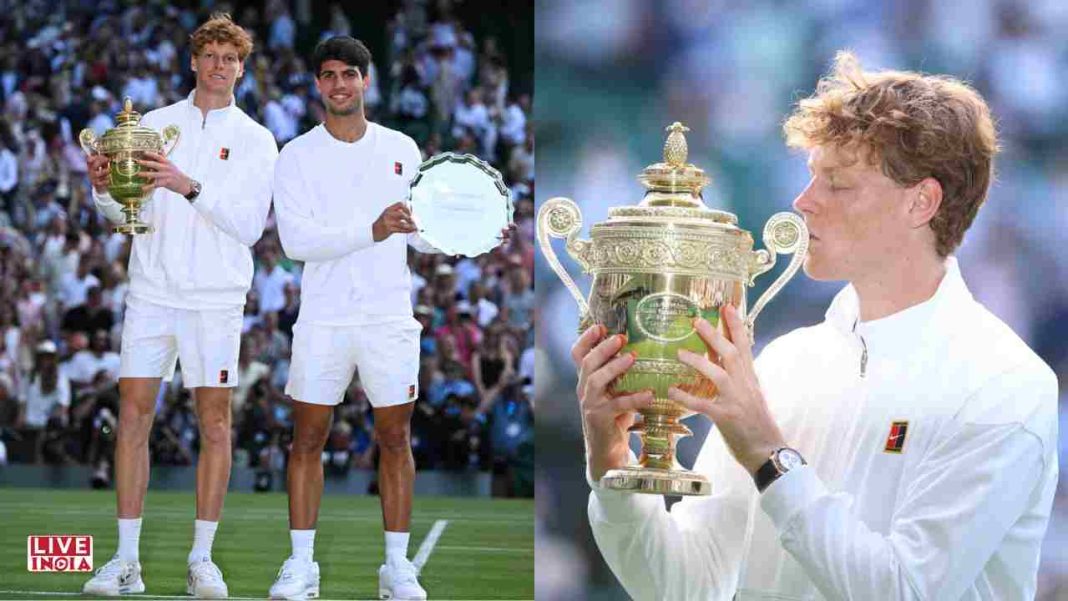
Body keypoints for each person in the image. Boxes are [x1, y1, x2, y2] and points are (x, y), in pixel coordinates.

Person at [572, 52, 1058, 600]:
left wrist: (769, 456)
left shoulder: (1004, 385)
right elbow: (686, 585)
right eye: (811, 179)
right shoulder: (785, 363)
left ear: (921, 201)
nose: (805, 203)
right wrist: (612, 466)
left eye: (839, 184)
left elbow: (905, 590)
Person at [269, 36, 509, 601]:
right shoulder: (295, 155)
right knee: (307, 439)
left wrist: (471, 236)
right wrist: (372, 230)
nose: (339, 84)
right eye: (328, 75)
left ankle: (396, 568)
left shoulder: (401, 147)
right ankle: (301, 566)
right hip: (323, 318)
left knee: (395, 437)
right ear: (317, 84)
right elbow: (296, 241)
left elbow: (421, 232)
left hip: (387, 317)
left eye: (349, 74)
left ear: (366, 80)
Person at [81, 13, 278, 598]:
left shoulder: (256, 139)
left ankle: (202, 560)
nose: (220, 67)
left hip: (216, 299)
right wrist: (102, 189)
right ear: (194, 61)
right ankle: (125, 563)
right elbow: (126, 218)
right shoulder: (150, 126)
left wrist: (185, 183)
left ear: (241, 68)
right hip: (151, 291)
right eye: (211, 55)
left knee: (215, 423)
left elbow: (247, 226)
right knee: (133, 417)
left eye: (231, 59)